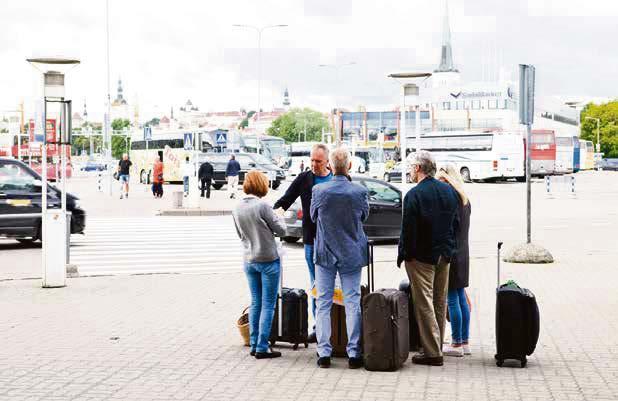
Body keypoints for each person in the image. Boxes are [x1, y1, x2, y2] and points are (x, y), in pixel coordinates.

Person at [397, 151, 459, 367]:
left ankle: (432, 353)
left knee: (424, 303)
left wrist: (404, 255)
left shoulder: (414, 195)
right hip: (444, 254)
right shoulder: (449, 191)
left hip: (421, 257)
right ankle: (435, 345)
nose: (409, 172)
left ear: (417, 168)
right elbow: (455, 225)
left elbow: (409, 231)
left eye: (410, 167)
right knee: (439, 302)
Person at [310, 147, 369, 369]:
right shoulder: (359, 191)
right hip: (352, 254)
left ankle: (324, 353)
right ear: (350, 167)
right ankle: (354, 353)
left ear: (330, 166)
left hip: (325, 254)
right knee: (353, 302)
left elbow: (314, 217)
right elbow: (364, 215)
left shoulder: (319, 190)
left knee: (323, 303)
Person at [273, 143, 332, 344]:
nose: (314, 165)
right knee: (317, 284)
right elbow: (285, 200)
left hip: (334, 242)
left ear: (327, 162)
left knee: (336, 286)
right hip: (312, 240)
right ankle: (318, 327)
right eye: (312, 160)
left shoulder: (338, 178)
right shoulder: (305, 178)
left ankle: (336, 326)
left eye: (318, 161)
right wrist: (273, 215)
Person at [232, 171, 287, 359]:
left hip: (249, 260)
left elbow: (240, 235)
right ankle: (263, 347)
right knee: (268, 304)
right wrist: (279, 217)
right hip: (269, 260)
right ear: (261, 185)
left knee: (255, 302)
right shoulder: (263, 206)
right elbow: (281, 230)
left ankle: (254, 344)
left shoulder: (237, 207)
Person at [436, 164, 472, 357]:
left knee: (452, 299)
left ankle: (456, 343)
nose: (439, 184)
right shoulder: (465, 199)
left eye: (441, 180)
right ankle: (465, 341)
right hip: (464, 253)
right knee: (461, 297)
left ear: (448, 180)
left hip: (452, 253)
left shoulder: (450, 199)